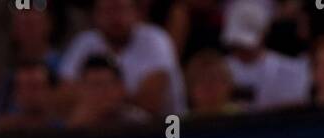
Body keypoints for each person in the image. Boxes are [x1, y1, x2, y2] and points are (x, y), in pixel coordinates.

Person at [58, 0, 187, 114]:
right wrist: (115, 97)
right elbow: (63, 98)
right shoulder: (84, 42)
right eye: (107, 10)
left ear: (137, 12)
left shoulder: (156, 39)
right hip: (107, 128)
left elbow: (151, 101)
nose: (115, 18)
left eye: (120, 9)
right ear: (94, 15)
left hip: (167, 126)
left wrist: (96, 96)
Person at [221, 0, 309, 108]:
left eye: (244, 44)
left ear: (263, 34)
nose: (241, 48)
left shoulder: (288, 71)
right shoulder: (221, 70)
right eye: (237, 43)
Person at [65, 54, 151, 126]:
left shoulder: (139, 122)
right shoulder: (71, 127)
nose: (100, 93)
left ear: (120, 88)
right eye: (94, 86)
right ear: (81, 90)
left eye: (106, 85)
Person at [185, 48, 242, 113]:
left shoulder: (246, 118)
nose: (209, 87)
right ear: (190, 90)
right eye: (201, 81)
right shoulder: (180, 121)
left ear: (229, 85)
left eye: (215, 78)